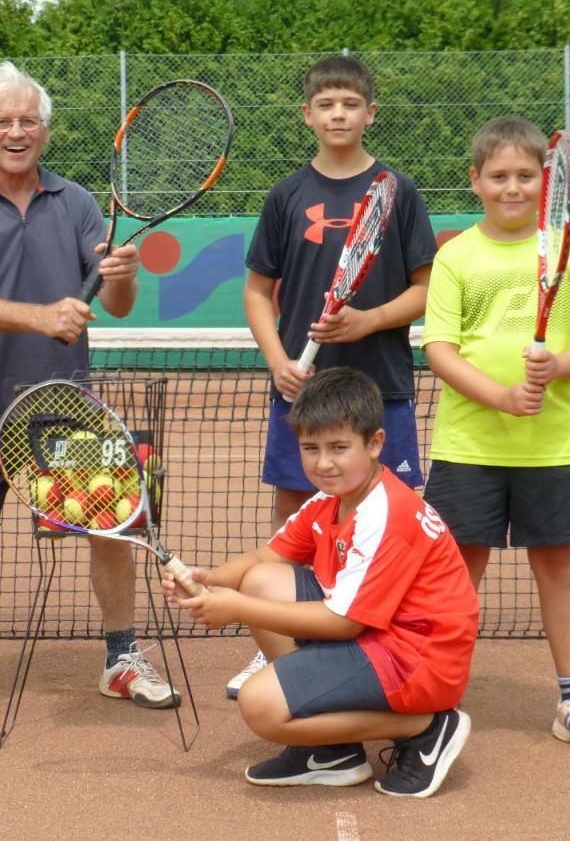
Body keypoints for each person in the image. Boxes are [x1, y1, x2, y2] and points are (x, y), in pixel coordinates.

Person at [0, 60, 179, 719]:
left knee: (115, 529)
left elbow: (117, 304)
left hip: (67, 409)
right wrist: (43, 316)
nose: (17, 131)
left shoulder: (78, 204)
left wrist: (120, 273)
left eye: (28, 120)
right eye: (3, 121)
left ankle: (122, 657)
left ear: (45, 130)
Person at [166, 367, 478, 797]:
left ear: (375, 444)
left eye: (338, 447)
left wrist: (235, 608)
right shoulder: (332, 497)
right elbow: (265, 558)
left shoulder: (385, 513)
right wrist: (212, 579)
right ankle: (332, 753)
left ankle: (427, 726)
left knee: (261, 707)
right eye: (310, 448)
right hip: (383, 635)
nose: (323, 463)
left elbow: (342, 623)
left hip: (419, 660)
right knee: (260, 580)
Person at [421, 115, 570, 758]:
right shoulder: (455, 255)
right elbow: (440, 351)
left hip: (554, 448)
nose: (512, 186)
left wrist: (559, 366)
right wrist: (502, 397)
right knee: (456, 573)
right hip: (467, 447)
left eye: (525, 176)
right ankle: (432, 698)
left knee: (558, 570)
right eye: (499, 175)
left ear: (547, 184)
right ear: (476, 182)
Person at [232, 55, 436, 697]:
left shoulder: (398, 192)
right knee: (295, 516)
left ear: (369, 112)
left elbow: (426, 290)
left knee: (391, 517)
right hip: (304, 392)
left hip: (384, 390)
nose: (338, 114)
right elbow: (258, 292)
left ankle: (387, 648)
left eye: (350, 103)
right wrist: (277, 361)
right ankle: (284, 650)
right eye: (326, 104)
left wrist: (367, 320)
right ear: (308, 115)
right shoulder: (286, 196)